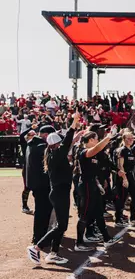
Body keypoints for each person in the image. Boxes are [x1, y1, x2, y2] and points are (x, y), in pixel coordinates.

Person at [26, 112, 80, 265]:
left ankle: (53, 253)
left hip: (59, 192)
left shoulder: (53, 154)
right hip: (59, 193)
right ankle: (36, 248)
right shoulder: (55, 154)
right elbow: (68, 140)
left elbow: (67, 144)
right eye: (60, 143)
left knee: (60, 225)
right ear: (56, 144)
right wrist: (73, 124)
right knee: (61, 225)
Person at [75, 130, 122, 251]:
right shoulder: (83, 151)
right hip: (86, 186)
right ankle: (79, 243)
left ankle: (107, 239)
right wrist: (107, 138)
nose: (97, 141)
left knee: (99, 212)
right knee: (84, 215)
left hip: (93, 185)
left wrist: (99, 184)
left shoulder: (94, 153)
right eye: (95, 139)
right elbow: (96, 148)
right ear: (90, 140)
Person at [26, 125, 55, 246]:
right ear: (46, 135)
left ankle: (39, 237)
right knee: (43, 212)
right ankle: (40, 238)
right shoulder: (41, 146)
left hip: (35, 184)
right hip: (42, 185)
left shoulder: (31, 144)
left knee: (40, 211)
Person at [114, 132, 135, 227]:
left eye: (132, 138)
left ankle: (132, 217)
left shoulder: (131, 150)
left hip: (130, 176)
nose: (130, 140)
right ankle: (118, 219)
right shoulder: (122, 150)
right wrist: (125, 179)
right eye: (128, 138)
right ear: (123, 139)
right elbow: (120, 166)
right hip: (123, 177)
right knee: (122, 198)